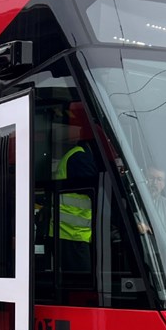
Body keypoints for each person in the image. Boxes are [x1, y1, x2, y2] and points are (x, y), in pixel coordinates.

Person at [52, 102, 97, 274]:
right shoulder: (80, 159)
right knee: (82, 279)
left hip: (71, 232)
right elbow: (99, 194)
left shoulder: (77, 155)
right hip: (72, 234)